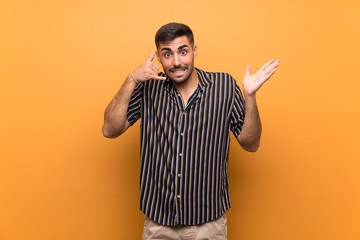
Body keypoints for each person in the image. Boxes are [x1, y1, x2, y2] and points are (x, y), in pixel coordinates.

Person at [102, 22, 279, 240]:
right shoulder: (148, 87)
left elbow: (250, 144)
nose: (176, 62)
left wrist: (250, 97)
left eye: (183, 52)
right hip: (159, 224)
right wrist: (132, 79)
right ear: (158, 56)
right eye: (167, 54)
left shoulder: (224, 86)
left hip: (209, 223)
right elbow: (110, 129)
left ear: (194, 51)